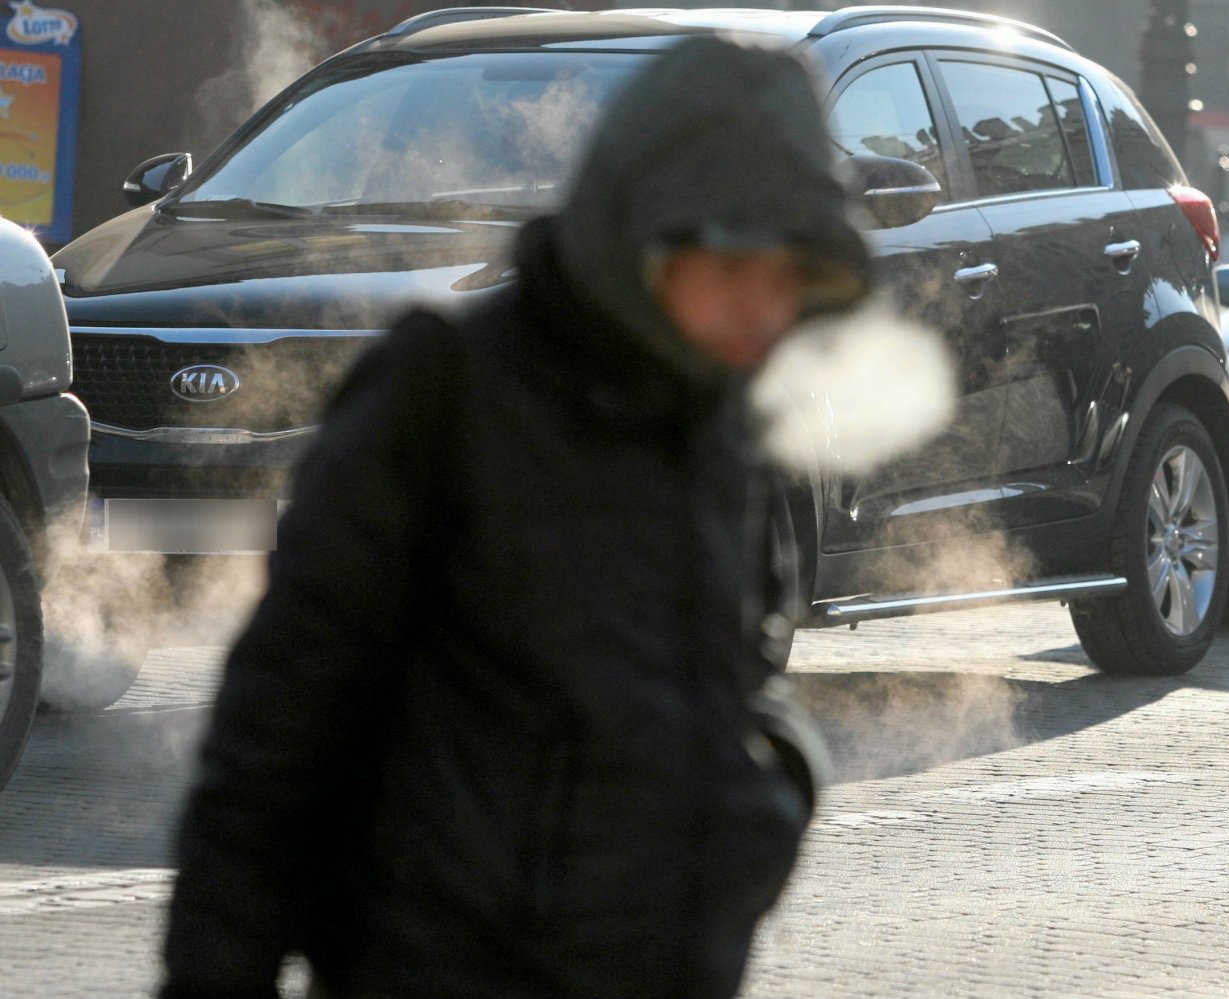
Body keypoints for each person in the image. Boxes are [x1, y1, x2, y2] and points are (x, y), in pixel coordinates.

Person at [159, 34, 870, 999]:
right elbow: (275, 735)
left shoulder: (718, 426)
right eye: (735, 264)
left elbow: (739, 675)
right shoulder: (448, 390)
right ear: (638, 230)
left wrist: (773, 784)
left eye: (791, 276)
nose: (763, 307)